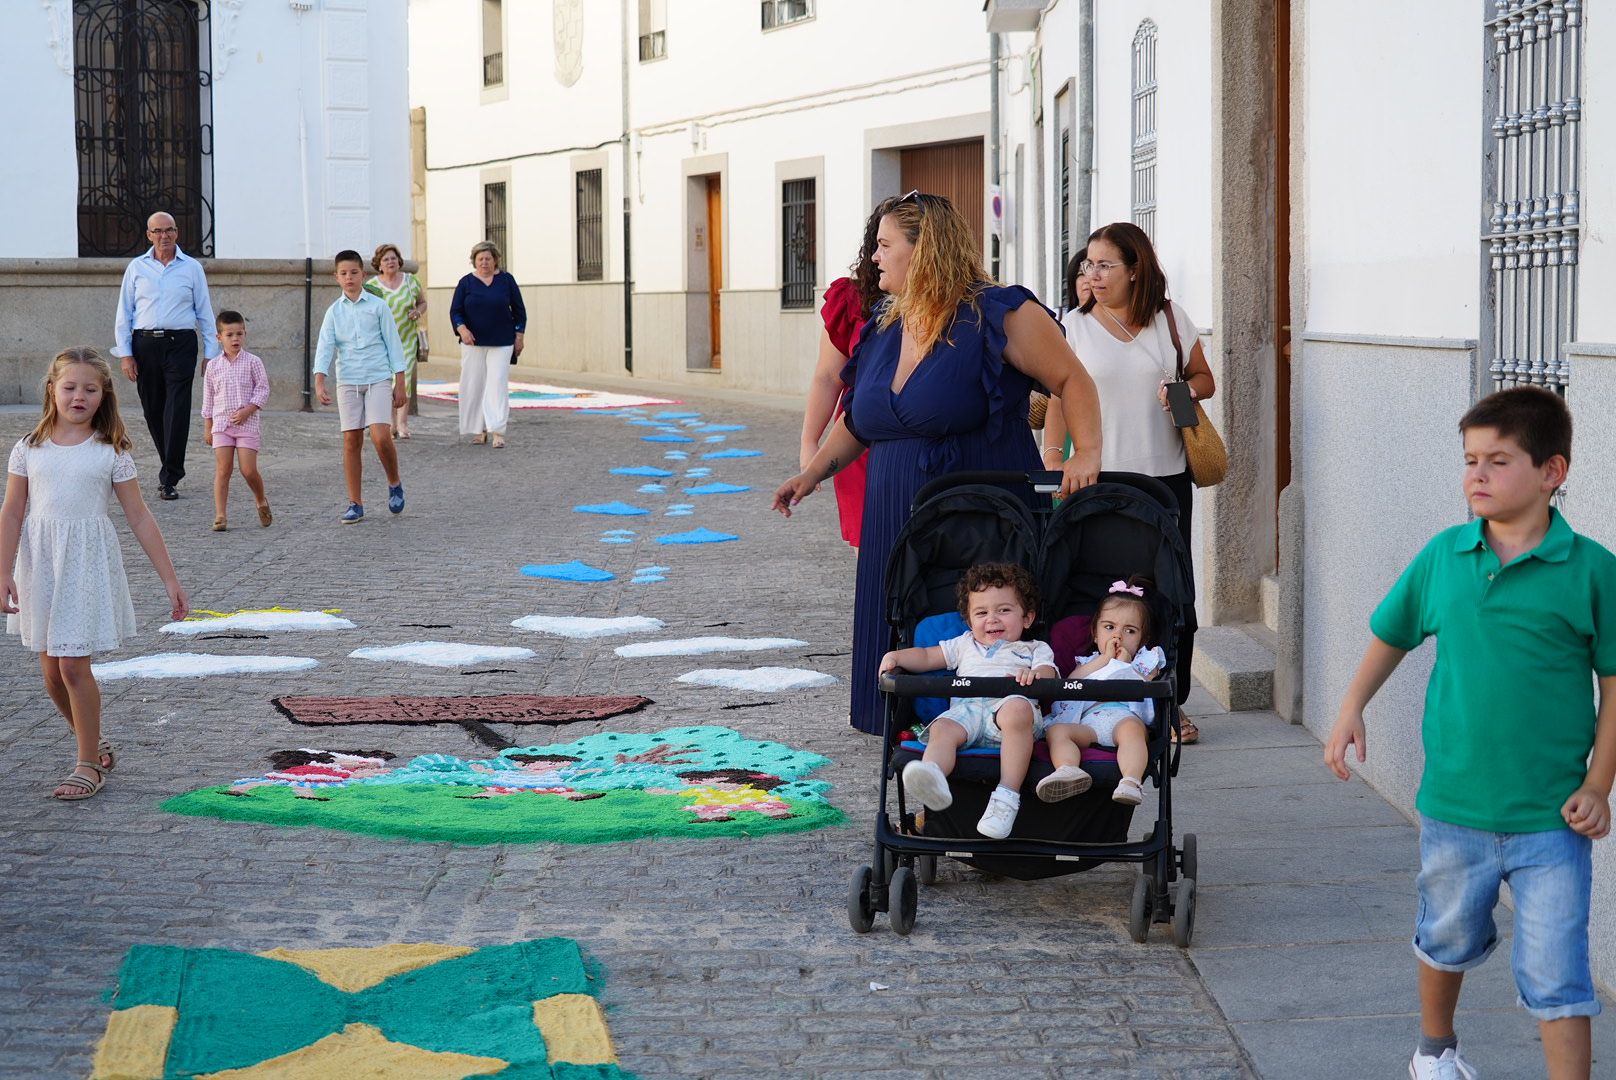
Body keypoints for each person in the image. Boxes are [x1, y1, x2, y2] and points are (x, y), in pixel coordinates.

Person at [1325, 386, 1616, 1080]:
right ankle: (1434, 1050)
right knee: (1446, 935)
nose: (1476, 476)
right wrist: (1350, 707)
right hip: (1454, 805)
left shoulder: (1592, 570)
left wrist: (1599, 783)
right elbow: (1390, 634)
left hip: (1553, 817)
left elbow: (1615, 685)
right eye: (1469, 460)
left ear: (1553, 472)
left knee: (1557, 971)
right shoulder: (1444, 557)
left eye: (1497, 460)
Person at [772, 191, 1102, 737]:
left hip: (977, 511)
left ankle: (991, 729)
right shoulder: (883, 320)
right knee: (898, 612)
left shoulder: (1001, 312)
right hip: (894, 510)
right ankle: (908, 731)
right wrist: (811, 474)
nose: (873, 257)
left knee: (979, 621)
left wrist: (1085, 453)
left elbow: (1072, 379)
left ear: (923, 250)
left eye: (884, 245)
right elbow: (860, 420)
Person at [1042, 223, 1215, 743]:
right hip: (1096, 482)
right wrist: (1053, 458)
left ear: (1134, 269)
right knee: (1102, 595)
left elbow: (1205, 378)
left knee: (1168, 595)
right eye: (1088, 265)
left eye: (1104, 265)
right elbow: (1055, 398)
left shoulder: (1170, 320)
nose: (1090, 274)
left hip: (1164, 480)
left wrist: (1181, 389)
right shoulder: (1071, 327)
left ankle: (1170, 705)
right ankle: (1099, 692)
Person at [0, 348, 189, 800]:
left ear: (104, 395)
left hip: (84, 566)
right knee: (50, 671)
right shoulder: (29, 447)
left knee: (72, 665)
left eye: (90, 388)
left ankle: (87, 764)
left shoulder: (111, 452)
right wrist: (3, 570)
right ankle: (94, 739)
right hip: (40, 565)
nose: (78, 396)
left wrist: (170, 579)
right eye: (69, 387)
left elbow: (140, 516)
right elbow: (11, 512)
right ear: (52, 390)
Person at [881, 563, 1058, 839]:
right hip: (968, 712)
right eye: (982, 613)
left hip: (1011, 717)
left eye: (1004, 610)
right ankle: (932, 777)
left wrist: (1035, 674)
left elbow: (1050, 674)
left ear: (1027, 618)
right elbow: (928, 657)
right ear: (969, 620)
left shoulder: (1034, 649)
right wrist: (897, 657)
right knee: (942, 729)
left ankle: (1006, 799)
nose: (992, 619)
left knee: (1017, 709)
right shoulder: (964, 644)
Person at [797, 198, 896, 549]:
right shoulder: (852, 299)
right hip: (858, 441)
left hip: (922, 442)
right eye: (880, 245)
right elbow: (828, 376)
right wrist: (811, 442)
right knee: (870, 549)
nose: (880, 255)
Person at [111, 211, 219, 501]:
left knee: (178, 407)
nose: (164, 236)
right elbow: (125, 313)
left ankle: (170, 475)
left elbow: (204, 312)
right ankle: (168, 463)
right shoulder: (136, 268)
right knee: (154, 409)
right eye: (157, 231)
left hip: (181, 343)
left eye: (169, 230)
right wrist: (126, 354)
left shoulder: (192, 268)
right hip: (144, 344)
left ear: (177, 232)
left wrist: (211, 354)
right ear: (149, 235)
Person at [1038, 579, 1167, 807]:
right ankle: (1068, 769)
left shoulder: (1146, 660)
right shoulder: (1088, 662)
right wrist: (1104, 661)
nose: (1117, 636)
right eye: (1109, 627)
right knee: (1058, 731)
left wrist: (1126, 665)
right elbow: (1070, 685)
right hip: (1089, 723)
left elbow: (1147, 691)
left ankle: (1130, 781)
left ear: (1143, 639)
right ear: (1095, 634)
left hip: (1123, 719)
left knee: (1132, 732)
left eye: (1129, 631)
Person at [313, 249, 408, 524]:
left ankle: (394, 481)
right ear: (336, 278)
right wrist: (320, 380)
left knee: (380, 436)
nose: (349, 278)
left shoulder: (378, 306)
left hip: (377, 377)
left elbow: (394, 344)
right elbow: (325, 347)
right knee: (351, 440)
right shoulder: (334, 312)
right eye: (343, 274)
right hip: (348, 381)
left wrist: (399, 382)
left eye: (354, 272)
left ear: (363, 275)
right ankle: (355, 502)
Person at [449, 241, 527, 448]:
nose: (484, 262)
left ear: (495, 260)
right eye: (480, 259)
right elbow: (455, 311)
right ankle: (478, 428)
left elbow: (519, 310)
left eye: (488, 258)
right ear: (474, 261)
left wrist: (519, 335)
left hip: (502, 340)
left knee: (497, 382)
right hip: (472, 342)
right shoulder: (466, 282)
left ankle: (497, 430)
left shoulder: (506, 280)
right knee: (474, 383)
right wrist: (462, 329)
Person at [200, 310, 271, 532]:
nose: (235, 339)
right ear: (219, 337)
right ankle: (220, 515)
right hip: (222, 424)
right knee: (223, 469)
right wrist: (208, 426)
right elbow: (209, 397)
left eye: (239, 334)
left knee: (248, 469)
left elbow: (263, 389)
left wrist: (248, 410)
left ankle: (261, 499)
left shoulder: (253, 362)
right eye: (229, 335)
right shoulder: (212, 366)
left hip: (246, 424)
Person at [364, 243, 427, 440]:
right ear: (379, 264)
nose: (390, 262)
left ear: (399, 261)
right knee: (386, 380)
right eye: (385, 259)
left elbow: (422, 302)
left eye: (393, 258)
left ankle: (402, 423)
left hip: (406, 339)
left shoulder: (411, 281)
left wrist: (418, 312)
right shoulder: (372, 286)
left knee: (404, 380)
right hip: (381, 341)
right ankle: (389, 423)